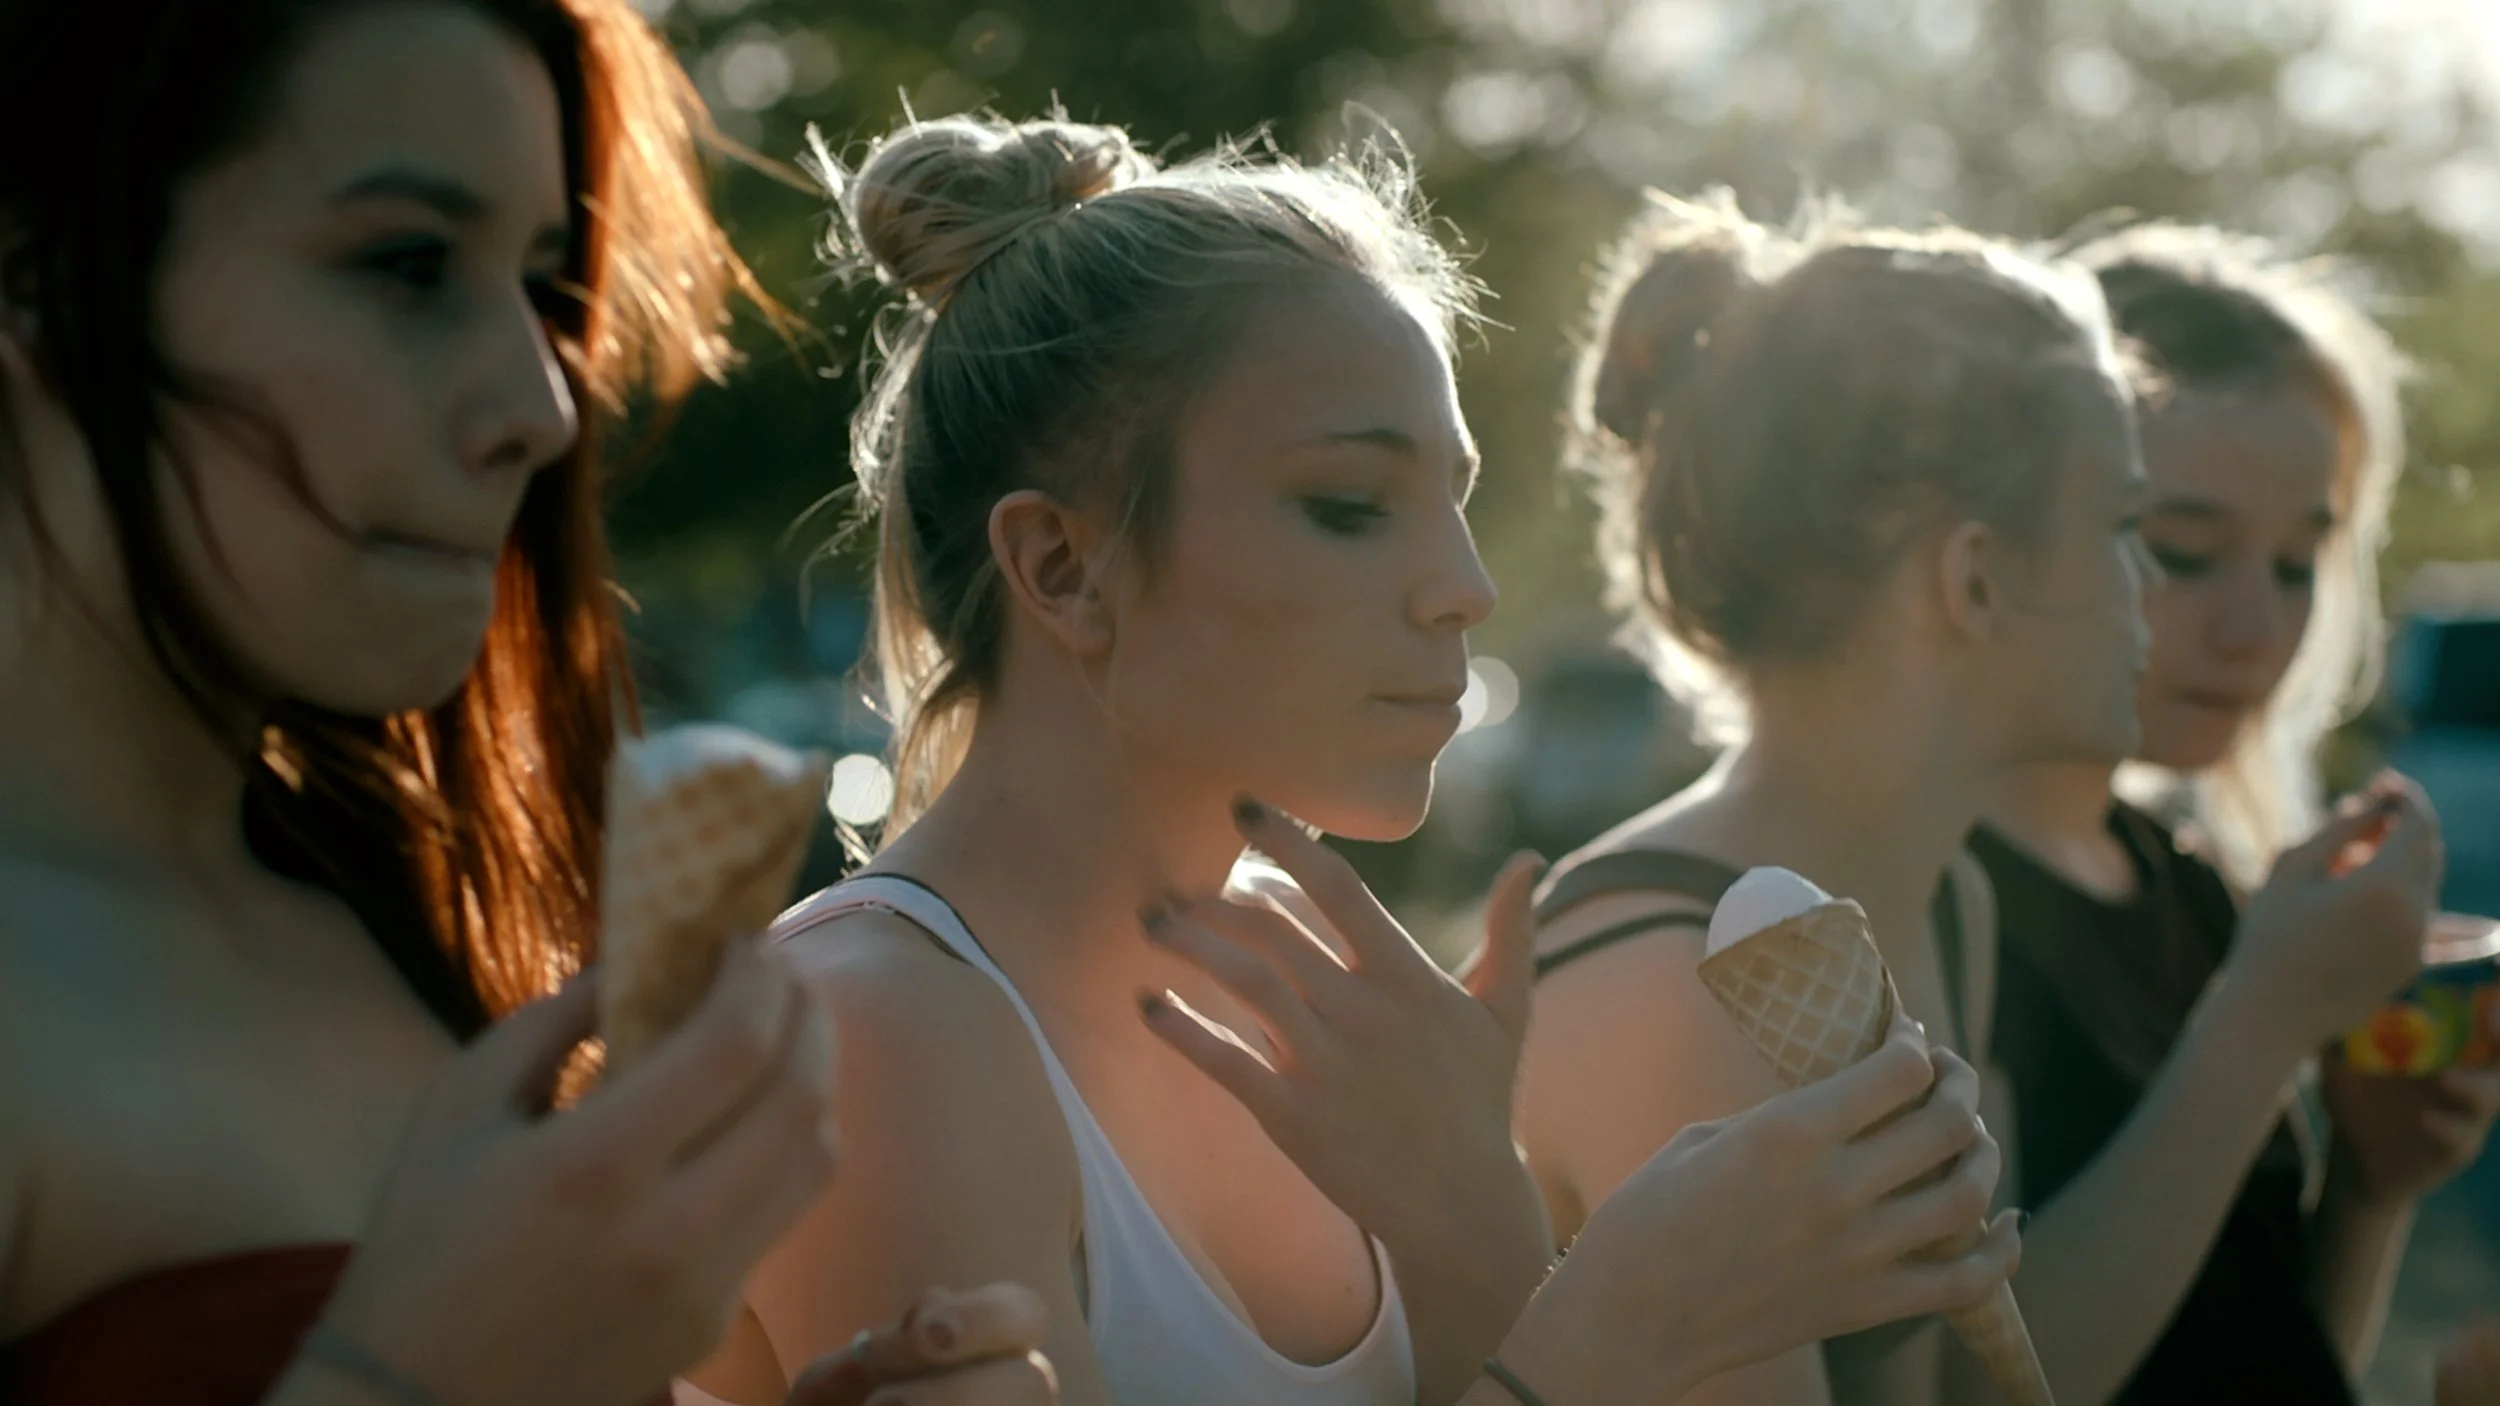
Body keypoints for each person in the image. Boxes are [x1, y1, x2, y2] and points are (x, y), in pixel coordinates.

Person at [735, 118, 2019, 1406]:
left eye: (1455, 503)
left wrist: (1509, 1235)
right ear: (1064, 566)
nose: (1465, 587)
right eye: (1349, 506)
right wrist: (1619, 1317)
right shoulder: (869, 1032)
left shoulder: (1310, 973)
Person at [0, 4, 1047, 1404]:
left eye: (544, 288)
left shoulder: (408, 918)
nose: (541, 404)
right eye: (406, 263)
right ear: (38, 277)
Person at [1517, 189, 2155, 1405]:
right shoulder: (1674, 980)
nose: (2146, 593)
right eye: (2122, 524)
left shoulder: (1948, 894)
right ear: (1971, 577)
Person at [1973, 221, 2487, 1403]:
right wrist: (2259, 1022)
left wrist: (2369, 1184)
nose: (2257, 627)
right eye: (2184, 550)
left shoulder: (2187, 882)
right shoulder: (1934, 892)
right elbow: (1997, 1379)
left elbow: (2265, 1362)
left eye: (2298, 563)